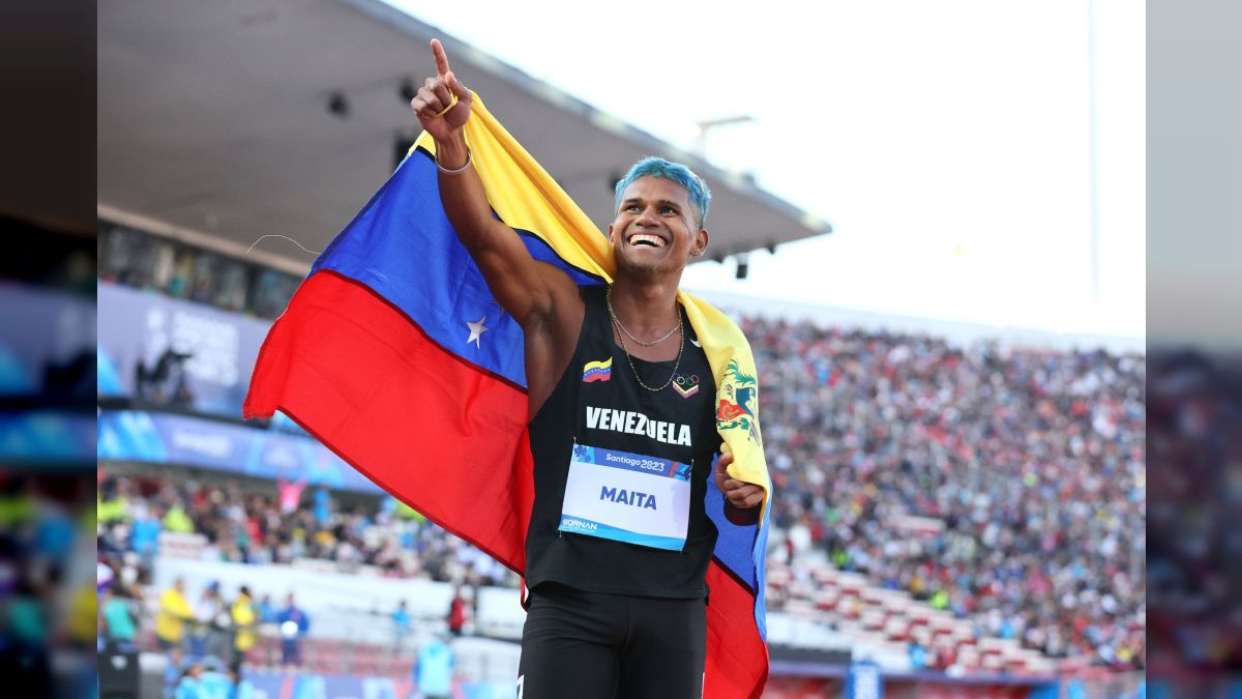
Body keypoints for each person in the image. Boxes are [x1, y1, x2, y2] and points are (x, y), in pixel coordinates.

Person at [409, 39, 766, 698]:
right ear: (612, 227)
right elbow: (488, 241)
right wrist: (453, 148)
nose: (646, 218)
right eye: (632, 207)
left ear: (699, 240)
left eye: (666, 210)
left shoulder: (722, 353)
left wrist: (744, 500)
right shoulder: (564, 315)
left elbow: (740, 500)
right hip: (570, 603)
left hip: (673, 609)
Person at [155, 577, 194, 657]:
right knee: (164, 656)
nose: (183, 588)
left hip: (175, 635)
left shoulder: (181, 597)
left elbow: (189, 613)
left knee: (173, 656)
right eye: (182, 585)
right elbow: (172, 611)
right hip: (164, 632)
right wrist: (183, 614)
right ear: (176, 584)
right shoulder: (168, 594)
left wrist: (185, 615)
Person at [413, 634, 454, 699]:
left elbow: (416, 671)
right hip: (443, 689)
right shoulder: (448, 651)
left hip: (425, 688)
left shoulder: (422, 651)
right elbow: (451, 670)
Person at [275, 593, 310, 668]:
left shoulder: (299, 613)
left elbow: (305, 625)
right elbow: (278, 622)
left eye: (291, 599)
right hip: (285, 641)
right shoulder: (282, 613)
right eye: (289, 599)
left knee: (296, 662)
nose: (290, 601)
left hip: (296, 641)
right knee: (284, 661)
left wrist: (301, 633)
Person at [229, 586, 257, 676]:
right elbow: (254, 618)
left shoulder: (239, 603)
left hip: (239, 635)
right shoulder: (248, 604)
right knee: (239, 659)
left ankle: (235, 675)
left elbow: (234, 617)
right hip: (244, 636)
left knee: (236, 659)